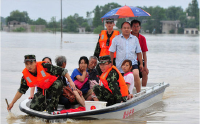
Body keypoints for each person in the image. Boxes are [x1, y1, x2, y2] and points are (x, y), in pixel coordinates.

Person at [7, 55, 76, 114]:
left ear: (35, 62)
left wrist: (70, 81)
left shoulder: (45, 66)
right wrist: (12, 103)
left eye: (31, 63)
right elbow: (21, 91)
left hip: (55, 87)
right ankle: (46, 106)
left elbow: (63, 71)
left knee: (57, 84)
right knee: (33, 106)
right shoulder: (26, 76)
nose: (29, 66)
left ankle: (52, 107)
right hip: (43, 90)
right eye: (27, 64)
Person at [109, 22, 143, 93]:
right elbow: (111, 52)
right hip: (120, 65)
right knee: (120, 81)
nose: (126, 29)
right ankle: (123, 94)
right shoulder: (116, 39)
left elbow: (139, 52)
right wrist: (111, 64)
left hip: (132, 63)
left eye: (128, 28)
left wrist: (141, 64)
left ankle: (139, 93)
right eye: (124, 28)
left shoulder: (135, 39)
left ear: (130, 29)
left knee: (136, 74)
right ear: (121, 29)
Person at [131, 19, 149, 87]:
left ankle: (143, 90)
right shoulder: (127, 36)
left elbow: (144, 53)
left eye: (137, 26)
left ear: (140, 27)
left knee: (145, 72)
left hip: (139, 61)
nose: (136, 28)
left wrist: (145, 66)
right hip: (129, 60)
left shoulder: (142, 38)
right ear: (131, 27)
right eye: (134, 26)